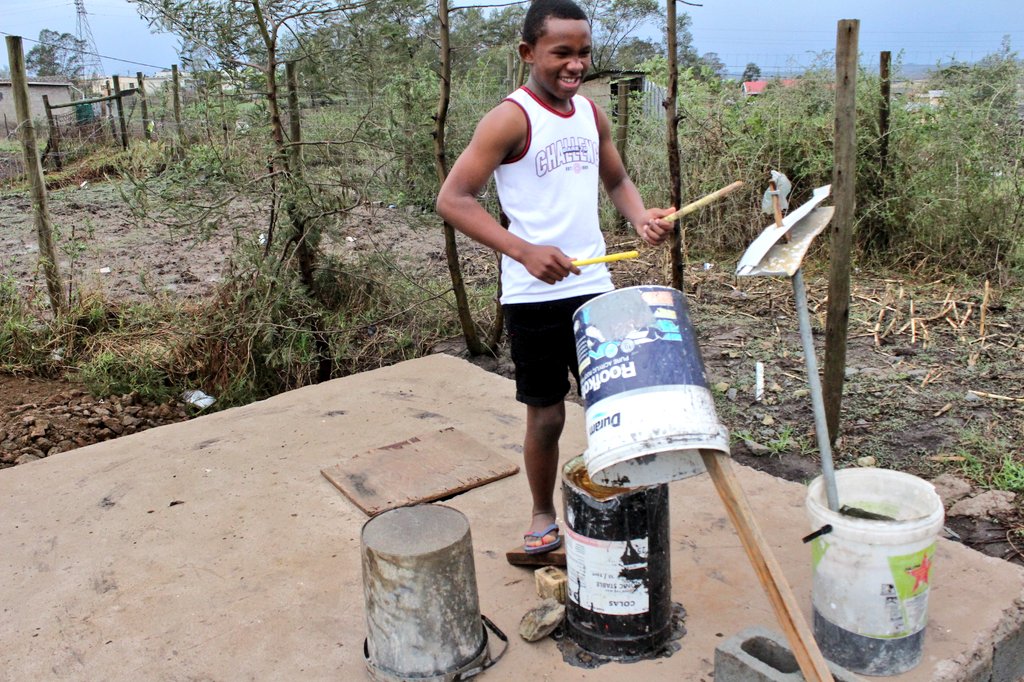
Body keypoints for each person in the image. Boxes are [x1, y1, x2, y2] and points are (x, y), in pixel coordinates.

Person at [436, 0, 674, 554]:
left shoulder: (591, 114)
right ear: (528, 52)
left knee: (614, 405)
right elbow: (453, 198)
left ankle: (618, 499)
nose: (575, 64)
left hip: (594, 289)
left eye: (584, 52)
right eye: (561, 52)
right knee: (545, 416)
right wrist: (523, 251)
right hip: (533, 295)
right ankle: (543, 512)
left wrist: (640, 217)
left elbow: (617, 181)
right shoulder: (510, 118)